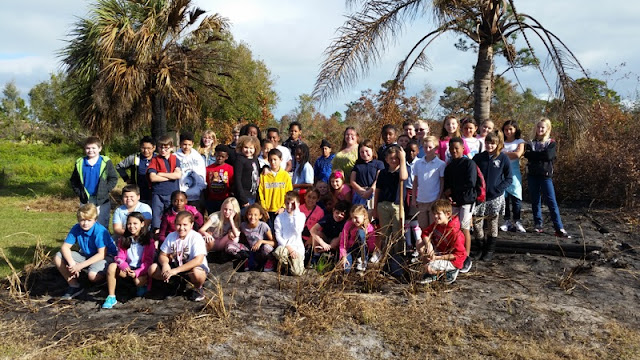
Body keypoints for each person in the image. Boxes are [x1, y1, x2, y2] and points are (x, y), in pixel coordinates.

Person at [55, 203, 117, 300]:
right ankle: (74, 285)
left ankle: (104, 281)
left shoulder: (100, 231)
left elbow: (101, 254)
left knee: (92, 276)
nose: (85, 223)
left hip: (106, 256)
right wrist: (72, 263)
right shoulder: (76, 228)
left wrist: (80, 266)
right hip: (86, 254)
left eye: (89, 220)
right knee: (58, 256)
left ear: (95, 220)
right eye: (82, 220)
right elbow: (65, 247)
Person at [524, 118, 571, 238]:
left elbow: (549, 156)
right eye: (538, 127)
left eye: (542, 127)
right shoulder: (530, 142)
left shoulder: (551, 143)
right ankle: (538, 224)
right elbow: (527, 154)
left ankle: (559, 227)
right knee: (535, 201)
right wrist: (539, 155)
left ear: (547, 129)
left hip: (545, 176)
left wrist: (536, 155)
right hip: (532, 175)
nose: (540, 129)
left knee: (551, 201)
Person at [148, 211, 209, 302]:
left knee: (196, 273)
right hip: (176, 266)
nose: (181, 228)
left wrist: (176, 270)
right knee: (152, 269)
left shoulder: (196, 237)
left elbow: (198, 260)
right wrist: (165, 264)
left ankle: (198, 288)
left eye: (185, 225)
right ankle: (174, 284)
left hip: (192, 267)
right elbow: (163, 254)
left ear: (191, 224)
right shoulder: (171, 236)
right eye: (178, 225)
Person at [102, 212, 155, 308]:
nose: (132, 226)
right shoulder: (124, 239)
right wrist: (124, 265)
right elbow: (119, 257)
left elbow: (148, 261)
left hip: (141, 270)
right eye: (129, 224)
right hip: (128, 269)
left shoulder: (148, 241)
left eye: (135, 223)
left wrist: (137, 272)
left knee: (138, 283)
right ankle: (111, 296)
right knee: (112, 266)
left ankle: (141, 286)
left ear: (142, 224)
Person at [472, 131, 512, 261]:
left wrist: (498, 189)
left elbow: (509, 178)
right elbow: (472, 175)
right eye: (487, 142)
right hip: (480, 197)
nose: (489, 145)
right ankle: (480, 248)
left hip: (495, 197)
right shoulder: (478, 158)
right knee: (477, 224)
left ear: (498, 144)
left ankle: (489, 250)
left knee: (492, 224)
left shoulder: (503, 158)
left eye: (492, 143)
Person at [443, 137, 476, 273]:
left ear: (463, 148)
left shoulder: (469, 164)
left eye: (456, 148)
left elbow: (471, 183)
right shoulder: (450, 166)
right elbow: (447, 184)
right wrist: (448, 194)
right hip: (454, 201)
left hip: (467, 201)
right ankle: (456, 253)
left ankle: (466, 257)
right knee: (454, 228)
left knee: (464, 227)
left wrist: (454, 190)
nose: (454, 151)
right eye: (451, 149)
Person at [70, 136, 118, 228]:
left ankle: (101, 242)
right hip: (85, 199)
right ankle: (86, 241)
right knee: (86, 223)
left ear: (100, 148)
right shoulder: (80, 162)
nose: (90, 150)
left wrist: (105, 190)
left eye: (93, 148)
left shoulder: (106, 162)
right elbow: (74, 180)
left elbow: (113, 178)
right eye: (88, 148)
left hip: (102, 200)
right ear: (84, 149)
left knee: (102, 224)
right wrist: (79, 193)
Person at [416, 199, 466, 285]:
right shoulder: (437, 224)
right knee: (419, 244)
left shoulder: (454, 232)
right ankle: (432, 271)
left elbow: (458, 255)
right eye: (434, 213)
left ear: (447, 214)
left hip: (453, 260)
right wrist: (429, 245)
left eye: (438, 214)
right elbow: (425, 233)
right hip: (440, 252)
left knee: (428, 266)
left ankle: (449, 271)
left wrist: (437, 258)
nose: (435, 216)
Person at [372, 145, 408, 264]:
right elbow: (378, 190)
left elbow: (403, 177)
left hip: (397, 205)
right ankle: (386, 257)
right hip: (383, 205)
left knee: (398, 233)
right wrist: (375, 207)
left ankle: (398, 258)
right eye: (391, 158)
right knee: (385, 233)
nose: (394, 161)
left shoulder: (402, 170)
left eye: (396, 158)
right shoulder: (382, 173)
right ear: (386, 159)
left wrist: (402, 159)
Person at [147, 135, 182, 231]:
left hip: (172, 193)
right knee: (157, 219)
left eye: (166, 148)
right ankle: (157, 239)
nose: (163, 150)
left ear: (171, 147)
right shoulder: (154, 160)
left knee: (172, 217)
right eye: (161, 147)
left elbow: (178, 175)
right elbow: (153, 178)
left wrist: (161, 174)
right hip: (158, 194)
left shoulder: (175, 159)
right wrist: (171, 176)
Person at [413, 136, 446, 229]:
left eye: (430, 147)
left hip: (434, 200)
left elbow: (442, 182)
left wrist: (439, 197)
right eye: (425, 147)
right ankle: (426, 243)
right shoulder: (418, 163)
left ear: (435, 148)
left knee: (434, 226)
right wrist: (413, 198)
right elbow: (415, 181)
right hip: (421, 199)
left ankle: (434, 243)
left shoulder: (440, 164)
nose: (427, 149)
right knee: (423, 226)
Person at [500, 120, 526, 233]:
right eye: (506, 129)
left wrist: (503, 153)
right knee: (504, 198)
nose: (508, 131)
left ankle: (517, 221)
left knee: (516, 197)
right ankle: (506, 221)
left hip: (514, 172)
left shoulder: (519, 141)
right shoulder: (501, 142)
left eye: (511, 129)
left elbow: (517, 154)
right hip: (501, 172)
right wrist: (510, 154)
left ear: (515, 130)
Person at [259, 148, 293, 229]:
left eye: (275, 159)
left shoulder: (285, 176)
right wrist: (263, 208)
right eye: (270, 160)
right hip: (268, 211)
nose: (273, 162)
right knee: (269, 233)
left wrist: (284, 207)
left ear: (281, 160)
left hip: (280, 210)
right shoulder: (264, 175)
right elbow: (261, 193)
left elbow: (290, 193)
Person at [273, 191, 306, 276]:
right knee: (279, 252)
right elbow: (278, 235)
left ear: (298, 204)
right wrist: (289, 248)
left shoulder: (301, 216)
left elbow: (298, 230)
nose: (290, 206)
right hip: (285, 246)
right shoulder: (279, 217)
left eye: (293, 204)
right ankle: (285, 266)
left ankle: (294, 265)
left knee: (297, 273)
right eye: (287, 203)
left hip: (297, 248)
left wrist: (295, 213)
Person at [115, 136, 155, 204]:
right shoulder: (134, 158)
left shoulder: (157, 158)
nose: (146, 151)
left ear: (154, 148)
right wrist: (126, 178)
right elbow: (119, 166)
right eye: (143, 148)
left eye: (148, 148)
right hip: (138, 193)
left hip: (154, 194)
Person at [338, 204, 376, 272]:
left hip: (363, 250)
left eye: (356, 218)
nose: (354, 220)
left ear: (364, 216)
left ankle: (362, 261)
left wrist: (366, 237)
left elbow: (371, 247)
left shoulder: (369, 227)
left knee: (361, 233)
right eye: (352, 218)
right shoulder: (348, 225)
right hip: (351, 249)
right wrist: (343, 256)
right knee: (346, 269)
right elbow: (343, 243)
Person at [175, 131, 206, 211]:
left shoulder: (197, 157)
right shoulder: (175, 156)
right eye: (184, 144)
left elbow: (202, 173)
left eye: (189, 145)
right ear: (180, 144)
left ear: (192, 144)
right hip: (181, 195)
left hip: (196, 195)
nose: (186, 147)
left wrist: (201, 188)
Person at [240, 203, 276, 271]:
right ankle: (246, 260)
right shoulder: (243, 226)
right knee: (231, 247)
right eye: (250, 214)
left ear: (260, 216)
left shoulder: (263, 226)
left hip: (261, 251)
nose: (252, 217)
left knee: (267, 248)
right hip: (250, 251)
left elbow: (274, 243)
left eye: (255, 215)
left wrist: (261, 241)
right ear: (247, 215)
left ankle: (270, 261)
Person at [350, 139, 384, 209]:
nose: (364, 154)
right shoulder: (357, 165)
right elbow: (352, 181)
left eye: (367, 151)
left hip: (373, 193)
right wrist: (360, 191)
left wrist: (370, 191)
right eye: (362, 152)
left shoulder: (379, 163)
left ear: (372, 150)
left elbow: (378, 179)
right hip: (360, 194)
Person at [233, 135, 261, 211]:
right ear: (241, 148)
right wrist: (243, 198)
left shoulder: (255, 159)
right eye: (246, 147)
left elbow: (258, 171)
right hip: (245, 196)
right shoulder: (240, 160)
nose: (248, 150)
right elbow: (237, 180)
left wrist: (265, 168)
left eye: (251, 148)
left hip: (254, 195)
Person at [403, 140, 421, 254]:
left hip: (416, 192)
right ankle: (408, 244)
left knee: (415, 218)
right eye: (408, 151)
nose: (410, 153)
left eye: (413, 151)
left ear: (418, 151)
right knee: (406, 219)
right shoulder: (403, 163)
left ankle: (418, 245)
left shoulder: (419, 163)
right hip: (404, 192)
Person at [204, 145, 234, 215]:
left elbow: (232, 183)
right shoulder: (208, 169)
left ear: (226, 157)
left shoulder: (230, 168)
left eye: (222, 157)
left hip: (225, 199)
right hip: (212, 200)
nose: (219, 158)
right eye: (218, 156)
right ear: (215, 155)